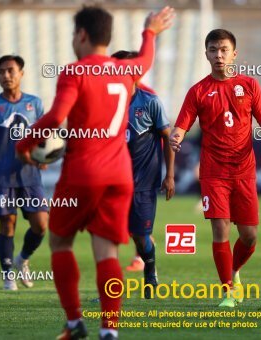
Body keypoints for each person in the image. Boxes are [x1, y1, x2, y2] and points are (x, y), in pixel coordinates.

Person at [16, 6, 175, 340]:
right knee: (108, 253)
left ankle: (74, 323)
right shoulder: (126, 70)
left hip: (83, 173)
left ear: (82, 35)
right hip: (120, 176)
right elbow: (146, 58)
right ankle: (110, 331)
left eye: (74, 33)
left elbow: (56, 116)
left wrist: (24, 145)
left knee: (60, 242)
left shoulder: (75, 72)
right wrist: (150, 31)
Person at [169, 29, 261, 308]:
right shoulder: (198, 91)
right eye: (212, 50)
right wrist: (176, 137)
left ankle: (234, 271)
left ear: (234, 53)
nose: (218, 55)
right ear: (205, 53)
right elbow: (181, 126)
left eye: (223, 50)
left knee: (249, 235)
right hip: (214, 172)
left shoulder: (250, 86)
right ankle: (229, 292)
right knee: (220, 230)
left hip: (244, 171)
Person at [0, 55, 48, 291]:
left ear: (21, 73)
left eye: (10, 71)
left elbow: (44, 136)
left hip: (31, 176)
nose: (6, 76)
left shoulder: (35, 104)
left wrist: (43, 157)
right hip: (3, 178)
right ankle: (7, 276)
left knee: (41, 224)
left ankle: (22, 258)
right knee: (7, 225)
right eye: (1, 72)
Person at [112, 50, 175, 298]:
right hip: (111, 183)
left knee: (141, 236)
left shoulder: (150, 102)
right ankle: (109, 288)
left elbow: (169, 139)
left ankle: (150, 269)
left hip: (142, 184)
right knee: (107, 237)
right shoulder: (103, 105)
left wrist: (169, 175)